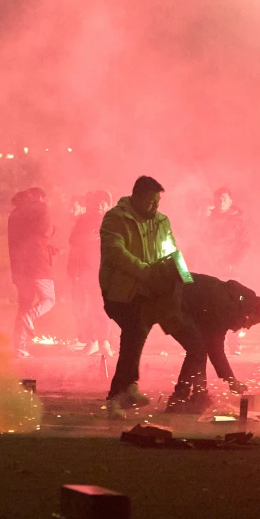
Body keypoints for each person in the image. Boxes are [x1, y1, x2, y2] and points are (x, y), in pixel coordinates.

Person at [99, 175, 193, 415]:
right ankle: (116, 396)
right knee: (134, 332)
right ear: (136, 196)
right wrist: (145, 272)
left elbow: (171, 249)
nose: (155, 207)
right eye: (151, 202)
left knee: (135, 336)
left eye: (157, 202)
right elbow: (115, 252)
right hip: (120, 293)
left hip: (150, 293)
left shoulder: (161, 221)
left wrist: (185, 278)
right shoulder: (115, 219)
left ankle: (127, 388)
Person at [162, 273, 260, 412]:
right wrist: (231, 380)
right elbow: (216, 351)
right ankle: (178, 399)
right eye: (251, 321)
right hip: (172, 302)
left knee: (199, 348)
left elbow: (211, 346)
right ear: (248, 312)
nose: (248, 327)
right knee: (197, 350)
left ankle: (199, 395)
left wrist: (230, 379)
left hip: (175, 299)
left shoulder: (233, 302)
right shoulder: (227, 307)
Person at [7, 187, 57, 357]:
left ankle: (19, 348)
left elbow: (28, 238)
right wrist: (51, 231)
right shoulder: (41, 209)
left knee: (24, 305)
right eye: (42, 198)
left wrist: (49, 248)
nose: (44, 201)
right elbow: (44, 231)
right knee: (49, 299)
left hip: (20, 268)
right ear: (36, 197)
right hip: (37, 265)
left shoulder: (14, 215)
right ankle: (31, 316)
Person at [68, 191, 110, 355]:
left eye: (102, 203)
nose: (99, 206)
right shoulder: (84, 220)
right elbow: (73, 242)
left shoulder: (114, 220)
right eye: (96, 203)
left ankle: (104, 342)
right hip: (87, 271)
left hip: (107, 271)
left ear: (107, 205)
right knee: (86, 308)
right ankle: (92, 341)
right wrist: (88, 238)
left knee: (103, 307)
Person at [202, 187, 251, 274]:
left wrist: (233, 264)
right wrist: (203, 217)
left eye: (224, 199)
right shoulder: (208, 218)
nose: (221, 202)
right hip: (207, 268)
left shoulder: (238, 222)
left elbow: (246, 245)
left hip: (227, 271)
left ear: (230, 201)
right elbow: (198, 238)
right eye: (218, 199)